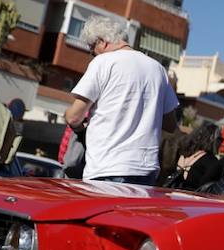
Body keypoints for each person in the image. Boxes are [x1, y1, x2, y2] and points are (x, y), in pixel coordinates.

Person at [64, 15, 178, 183]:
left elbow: (74, 117)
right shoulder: (158, 69)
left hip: (107, 166)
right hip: (145, 170)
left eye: (91, 49)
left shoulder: (103, 62)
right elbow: (170, 124)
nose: (92, 55)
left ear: (102, 42)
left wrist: (79, 125)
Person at [166, 124, 224, 191]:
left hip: (171, 194)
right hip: (192, 198)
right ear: (212, 139)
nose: (221, 143)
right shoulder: (211, 161)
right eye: (220, 139)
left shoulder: (182, 153)